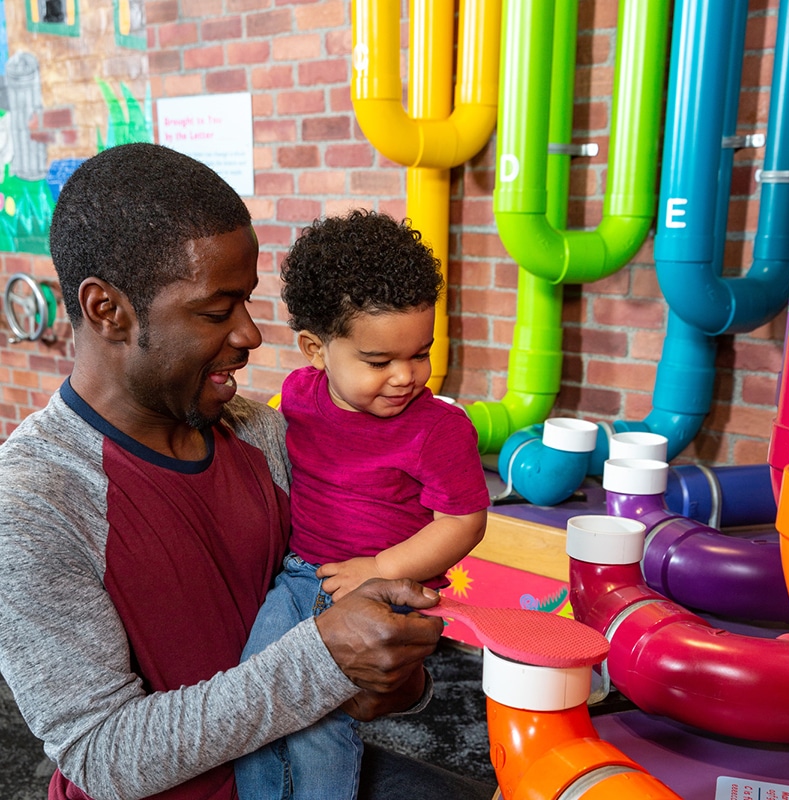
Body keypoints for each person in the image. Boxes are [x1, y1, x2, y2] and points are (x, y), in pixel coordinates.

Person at [0, 143, 496, 800]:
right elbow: (102, 754)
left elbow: (332, 621)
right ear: (106, 310)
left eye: (248, 301)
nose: (251, 335)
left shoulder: (261, 432)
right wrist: (325, 660)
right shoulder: (33, 504)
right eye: (216, 310)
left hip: (292, 766)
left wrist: (392, 674)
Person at [235, 210, 490, 800]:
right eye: (379, 362)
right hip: (300, 576)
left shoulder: (439, 429)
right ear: (316, 350)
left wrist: (381, 570)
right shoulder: (297, 395)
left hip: (380, 590)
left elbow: (464, 522)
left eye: (420, 353)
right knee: (256, 694)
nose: (406, 376)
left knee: (322, 717)